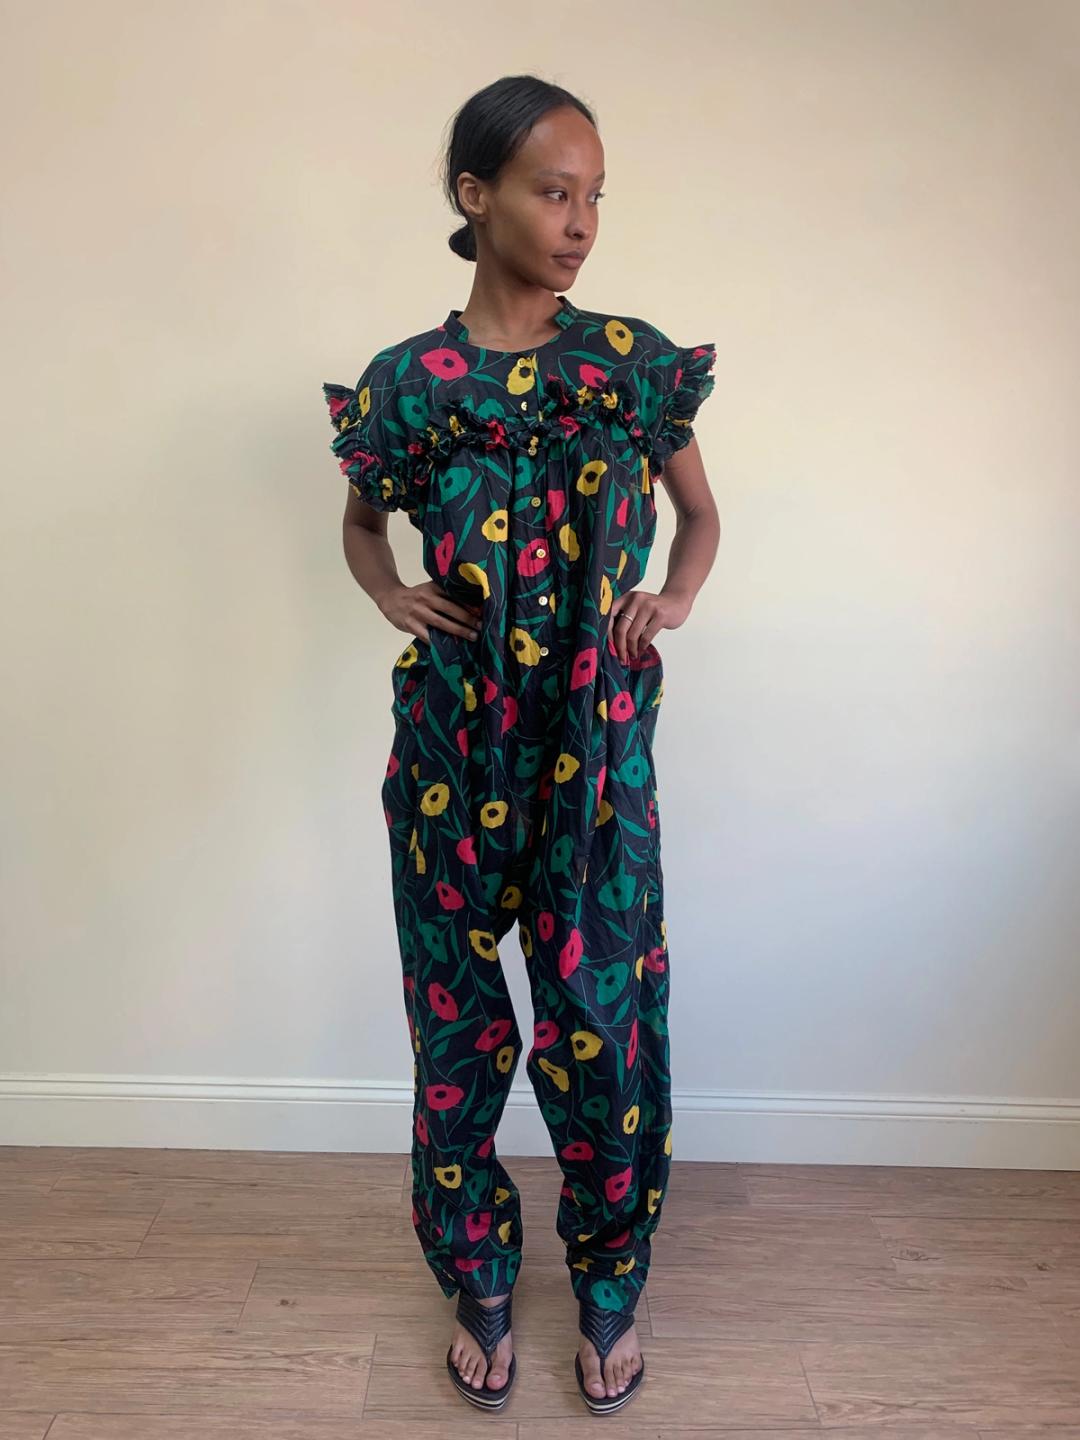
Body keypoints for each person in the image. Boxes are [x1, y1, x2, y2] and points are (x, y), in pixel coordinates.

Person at [321, 73, 719, 1416]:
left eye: (596, 195)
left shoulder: (629, 367)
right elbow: (362, 524)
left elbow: (702, 519)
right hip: (452, 751)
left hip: (597, 760)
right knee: (458, 1026)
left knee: (600, 1023)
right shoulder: (408, 385)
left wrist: (672, 598)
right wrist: (389, 593)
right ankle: (477, 1270)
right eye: (555, 191)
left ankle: (611, 1276)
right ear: (474, 194)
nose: (581, 221)